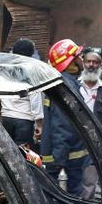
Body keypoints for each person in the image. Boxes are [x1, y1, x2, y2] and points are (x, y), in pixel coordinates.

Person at [39, 39, 89, 195]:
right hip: (66, 155)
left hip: (63, 153)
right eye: (78, 56)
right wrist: (59, 159)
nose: (82, 59)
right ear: (71, 61)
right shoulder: (65, 86)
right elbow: (62, 124)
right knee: (68, 197)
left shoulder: (64, 83)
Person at [77, 50, 102, 196]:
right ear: (83, 63)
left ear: (100, 65)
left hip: (96, 139)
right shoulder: (75, 86)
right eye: (88, 61)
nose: (91, 65)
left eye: (95, 62)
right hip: (76, 139)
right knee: (74, 177)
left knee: (90, 178)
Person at [0, 38, 43, 151]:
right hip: (24, 121)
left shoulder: (6, 69)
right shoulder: (31, 71)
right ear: (31, 54)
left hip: (6, 118)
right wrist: (40, 124)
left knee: (6, 153)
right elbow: (35, 99)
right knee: (23, 155)